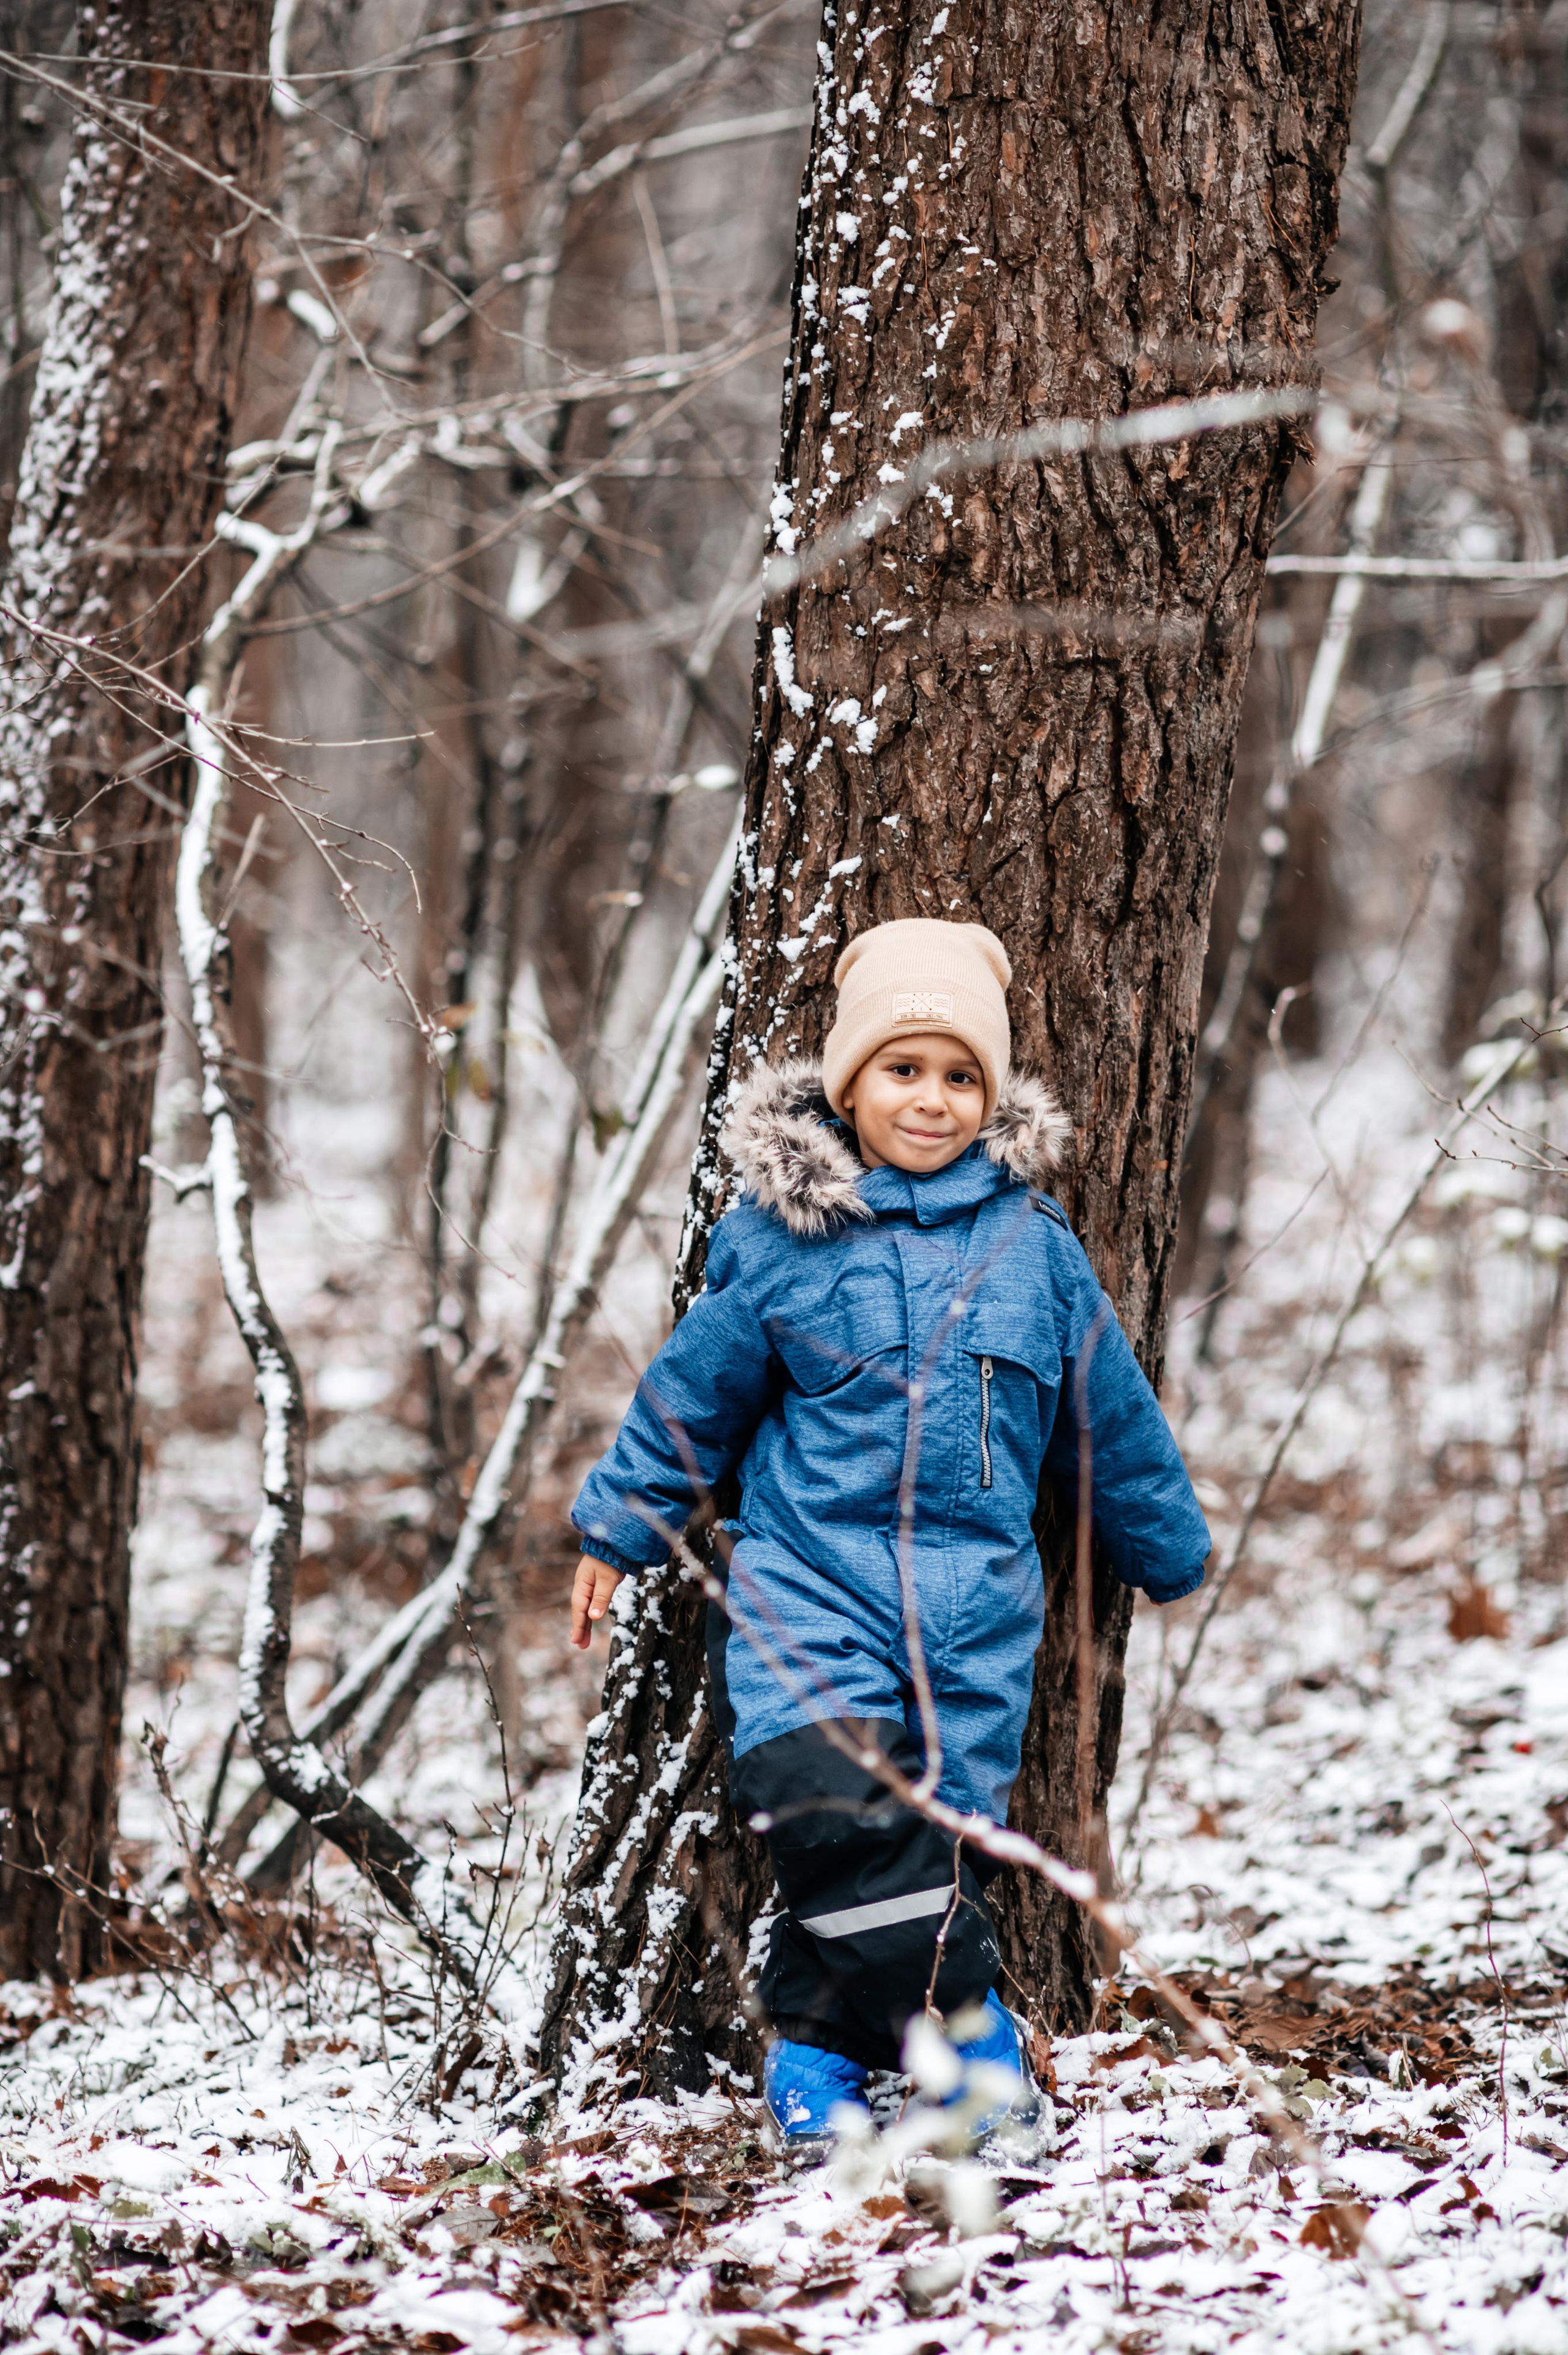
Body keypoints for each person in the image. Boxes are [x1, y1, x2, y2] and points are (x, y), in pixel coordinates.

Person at [568, 919, 1211, 2141]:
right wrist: (619, 1524)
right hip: (805, 1598)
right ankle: (974, 2038)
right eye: (901, 1070)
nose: (930, 1099)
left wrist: (1163, 1541)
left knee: (908, 1860)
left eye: (959, 1074)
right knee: (827, 1810)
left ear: (993, 1094)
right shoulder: (778, 1243)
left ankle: (811, 2050)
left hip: (970, 1631)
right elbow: (689, 1400)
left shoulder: (1032, 1251)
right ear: (848, 1082)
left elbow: (1108, 1418)